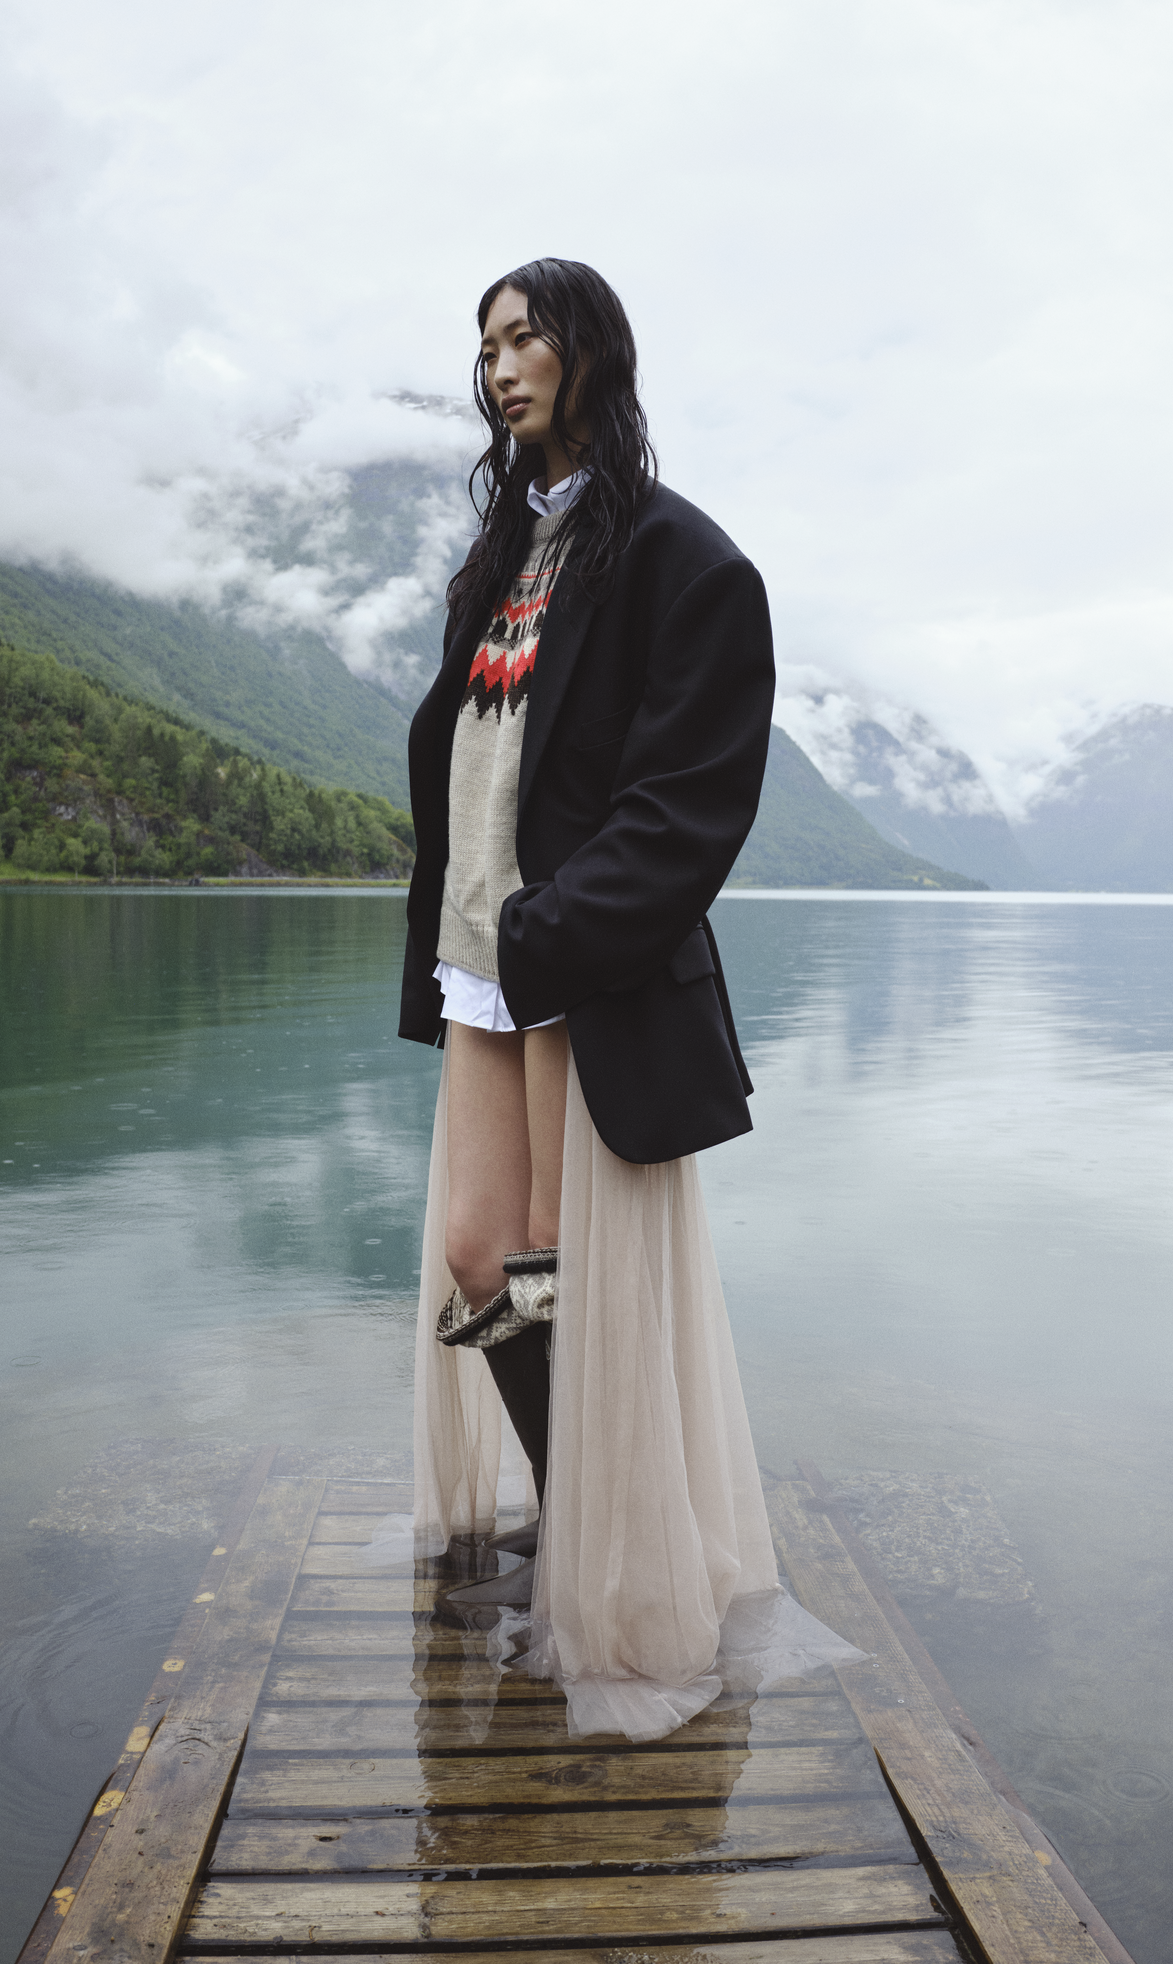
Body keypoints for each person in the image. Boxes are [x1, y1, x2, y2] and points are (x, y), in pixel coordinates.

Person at [400, 259, 860, 1740]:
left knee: (561, 1265)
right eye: (485, 345)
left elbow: (689, 802)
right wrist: (479, 928)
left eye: (526, 334)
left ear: (594, 348)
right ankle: (573, 1509)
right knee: (483, 1261)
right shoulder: (501, 555)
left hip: (574, 968)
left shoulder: (683, 557)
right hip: (483, 962)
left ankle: (611, 1554)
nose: (501, 364)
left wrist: (556, 928)